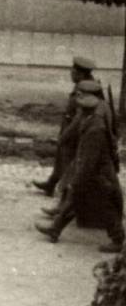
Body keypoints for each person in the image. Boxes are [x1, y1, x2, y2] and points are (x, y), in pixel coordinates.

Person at [35, 92, 123, 253]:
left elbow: (90, 159)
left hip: (98, 175)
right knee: (74, 202)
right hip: (94, 173)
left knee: (106, 207)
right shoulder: (90, 121)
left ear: (85, 111)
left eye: (80, 110)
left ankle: (118, 240)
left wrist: (78, 179)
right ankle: (55, 229)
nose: (78, 112)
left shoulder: (95, 130)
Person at [33, 56, 96, 197]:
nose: (71, 75)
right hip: (69, 125)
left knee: (69, 163)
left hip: (75, 130)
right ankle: (51, 183)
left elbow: (80, 116)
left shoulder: (86, 88)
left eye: (73, 72)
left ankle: (67, 199)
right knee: (61, 156)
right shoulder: (82, 83)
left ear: (81, 73)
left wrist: (67, 133)